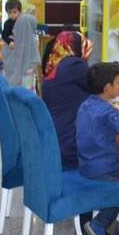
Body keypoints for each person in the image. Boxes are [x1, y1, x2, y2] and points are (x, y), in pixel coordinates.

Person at [76, 62, 119, 235]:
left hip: (86, 164)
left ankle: (100, 224)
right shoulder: (107, 111)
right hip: (103, 169)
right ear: (107, 87)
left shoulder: (87, 104)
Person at [41, 31, 93, 170]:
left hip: (55, 138)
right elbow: (98, 85)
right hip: (71, 144)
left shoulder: (54, 64)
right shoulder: (74, 65)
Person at [2, 13, 40, 88]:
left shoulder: (12, 40)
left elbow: (5, 57)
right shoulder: (31, 40)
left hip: (16, 75)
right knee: (25, 89)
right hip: (22, 73)